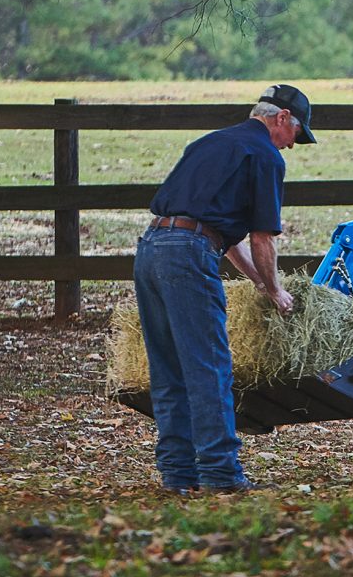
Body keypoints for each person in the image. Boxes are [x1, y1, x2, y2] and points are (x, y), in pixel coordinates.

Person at [132, 83, 316, 493]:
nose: (293, 146)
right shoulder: (265, 156)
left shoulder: (209, 143)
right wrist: (275, 289)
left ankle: (178, 474)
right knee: (208, 366)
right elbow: (262, 238)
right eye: (296, 135)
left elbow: (222, 232)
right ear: (282, 119)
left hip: (150, 249)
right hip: (188, 256)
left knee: (168, 369)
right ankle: (220, 473)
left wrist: (256, 281)